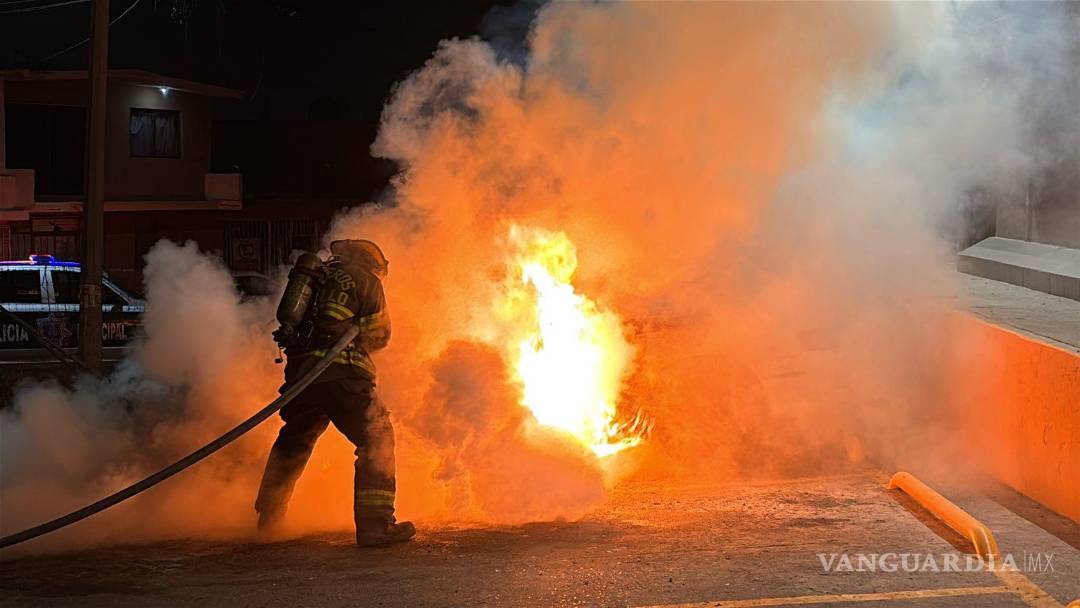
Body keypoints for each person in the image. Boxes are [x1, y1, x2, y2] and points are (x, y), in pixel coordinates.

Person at [255, 239, 415, 546]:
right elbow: (380, 335)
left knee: (295, 441)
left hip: (302, 377)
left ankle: (269, 519)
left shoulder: (317, 279)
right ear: (372, 263)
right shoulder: (365, 278)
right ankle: (376, 526)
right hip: (344, 374)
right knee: (376, 437)